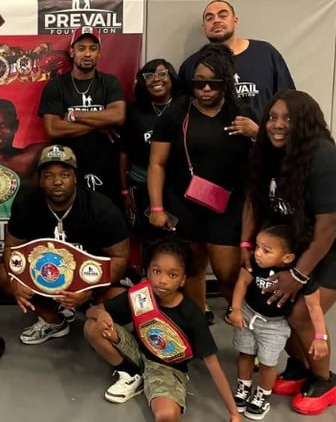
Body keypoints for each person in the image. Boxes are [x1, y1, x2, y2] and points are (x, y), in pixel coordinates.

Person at [242, 89, 336, 415]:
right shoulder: (267, 151)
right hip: (295, 245)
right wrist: (247, 244)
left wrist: (297, 275)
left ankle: (324, 380)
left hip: (329, 249)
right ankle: (299, 366)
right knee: (279, 306)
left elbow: (328, 227)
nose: (277, 124)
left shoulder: (323, 156)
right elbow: (253, 200)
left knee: (301, 314)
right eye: (272, 117)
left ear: (305, 122)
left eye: (288, 118)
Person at [84, 238, 242, 422]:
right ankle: (130, 373)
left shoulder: (192, 314)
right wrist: (100, 314)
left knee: (166, 415)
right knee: (92, 327)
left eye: (172, 275)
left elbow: (214, 366)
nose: (162, 280)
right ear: (148, 272)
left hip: (166, 367)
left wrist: (234, 413)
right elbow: (91, 311)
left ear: (183, 280)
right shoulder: (140, 295)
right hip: (137, 350)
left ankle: (154, 384)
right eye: (156, 271)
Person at [148, 44, 254, 316]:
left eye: (213, 84)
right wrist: (157, 207)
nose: (205, 89)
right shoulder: (177, 112)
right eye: (199, 83)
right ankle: (198, 321)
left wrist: (257, 132)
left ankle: (246, 322)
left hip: (228, 204)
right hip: (184, 201)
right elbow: (157, 163)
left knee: (227, 271)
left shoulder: (241, 112)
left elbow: (270, 156)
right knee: (192, 268)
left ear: (226, 83)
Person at [0, 144, 129, 345]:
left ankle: (92, 318)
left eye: (64, 175)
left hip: (90, 282)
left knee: (121, 297)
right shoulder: (26, 205)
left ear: (75, 177)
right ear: (41, 181)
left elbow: (120, 257)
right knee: (4, 275)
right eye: (48, 176)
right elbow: (11, 248)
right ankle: (53, 320)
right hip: (45, 280)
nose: (57, 181)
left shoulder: (101, 209)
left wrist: (90, 290)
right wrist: (17, 280)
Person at [229, 224, 328, 420]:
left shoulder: (301, 276)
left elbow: (314, 307)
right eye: (257, 246)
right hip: (248, 316)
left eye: (266, 250)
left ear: (287, 258)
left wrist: (320, 337)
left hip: (275, 325)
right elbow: (242, 282)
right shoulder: (254, 263)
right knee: (245, 353)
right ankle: (243, 389)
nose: (258, 253)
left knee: (268, 363)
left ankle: (262, 397)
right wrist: (236, 309)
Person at [39, 27, 126, 207]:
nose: (87, 54)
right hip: (68, 166)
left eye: (93, 48)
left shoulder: (109, 82)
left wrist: (74, 115)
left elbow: (117, 116)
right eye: (81, 48)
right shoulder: (56, 85)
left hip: (106, 165)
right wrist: (99, 124)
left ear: (99, 53)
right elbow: (53, 129)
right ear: (72, 52)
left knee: (105, 216)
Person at [178, 0, 295, 124]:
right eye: (209, 18)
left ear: (235, 21)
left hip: (262, 135)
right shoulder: (192, 65)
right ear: (204, 27)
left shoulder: (265, 53)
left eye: (223, 15)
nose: (216, 20)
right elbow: (183, 113)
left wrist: (260, 132)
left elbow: (290, 103)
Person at [119, 59, 184, 274]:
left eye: (162, 74)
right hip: (144, 188)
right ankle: (150, 284)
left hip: (180, 189)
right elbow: (124, 153)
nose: (156, 79)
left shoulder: (185, 107)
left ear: (171, 77)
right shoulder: (135, 112)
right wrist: (125, 191)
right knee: (151, 242)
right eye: (149, 76)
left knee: (181, 242)